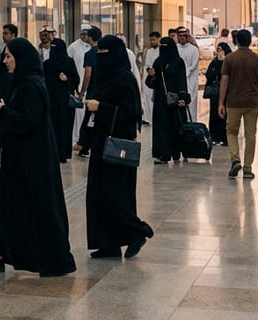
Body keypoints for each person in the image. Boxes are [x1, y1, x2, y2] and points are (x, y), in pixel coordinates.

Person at [0, 38, 76, 277]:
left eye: (9, 57)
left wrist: (3, 111)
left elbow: (30, 120)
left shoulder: (31, 85)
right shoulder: (25, 83)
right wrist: (4, 110)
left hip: (32, 161)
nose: (6, 62)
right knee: (9, 204)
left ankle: (55, 260)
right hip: (22, 158)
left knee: (36, 207)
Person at [83, 35, 154, 259]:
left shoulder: (124, 79)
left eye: (104, 53)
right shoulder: (103, 78)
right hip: (99, 144)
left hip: (117, 148)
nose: (100, 57)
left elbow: (130, 115)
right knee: (98, 194)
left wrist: (101, 107)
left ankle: (137, 232)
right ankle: (108, 243)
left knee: (115, 195)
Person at [219, 29, 258, 179]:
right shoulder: (257, 59)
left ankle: (235, 160)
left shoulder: (229, 59)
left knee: (231, 132)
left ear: (236, 41)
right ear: (250, 41)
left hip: (233, 102)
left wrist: (220, 103)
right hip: (252, 102)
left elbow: (224, 81)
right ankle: (248, 169)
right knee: (250, 135)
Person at [145, 36, 187, 164]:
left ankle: (176, 152)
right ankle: (163, 154)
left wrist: (182, 98)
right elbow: (150, 83)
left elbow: (182, 81)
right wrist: (152, 75)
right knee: (161, 127)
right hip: (160, 101)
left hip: (174, 101)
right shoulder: (158, 62)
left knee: (175, 127)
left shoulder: (178, 62)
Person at [43, 38, 80, 162]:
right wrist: (68, 80)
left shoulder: (46, 64)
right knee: (65, 127)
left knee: (53, 126)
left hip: (51, 100)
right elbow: (76, 80)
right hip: (64, 101)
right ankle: (63, 153)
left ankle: (53, 153)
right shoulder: (68, 62)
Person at [0, 24, 18, 157]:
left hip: (10, 89)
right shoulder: (3, 50)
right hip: (3, 88)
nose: (4, 35)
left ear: (13, 35)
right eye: (3, 33)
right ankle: (1, 146)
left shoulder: (15, 51)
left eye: (6, 33)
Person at [76, 26, 101, 158]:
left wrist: (81, 93)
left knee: (88, 119)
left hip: (93, 91)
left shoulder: (90, 54)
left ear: (90, 38)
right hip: (104, 90)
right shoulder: (104, 52)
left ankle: (84, 146)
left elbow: (87, 76)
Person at [67, 25, 91, 150]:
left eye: (86, 34)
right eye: (82, 33)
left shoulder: (93, 47)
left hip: (89, 86)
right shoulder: (73, 47)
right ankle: (76, 140)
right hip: (78, 85)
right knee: (77, 115)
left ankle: (84, 141)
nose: (84, 36)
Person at [206, 42, 231, 146]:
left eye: (221, 49)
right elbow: (209, 74)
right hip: (215, 93)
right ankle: (214, 136)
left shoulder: (229, 61)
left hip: (227, 92)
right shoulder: (214, 62)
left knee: (225, 115)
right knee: (214, 114)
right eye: (218, 49)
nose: (219, 52)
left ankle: (225, 137)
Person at [176, 28, 200, 118]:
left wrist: (185, 73)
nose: (182, 38)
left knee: (191, 104)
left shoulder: (194, 49)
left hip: (190, 81)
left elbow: (193, 65)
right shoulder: (176, 48)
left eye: (184, 36)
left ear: (187, 37)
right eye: (180, 36)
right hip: (179, 82)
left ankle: (192, 123)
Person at [140, 31, 161, 124]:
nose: (152, 42)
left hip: (157, 76)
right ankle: (147, 118)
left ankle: (155, 118)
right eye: (151, 40)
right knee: (147, 97)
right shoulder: (149, 51)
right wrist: (149, 70)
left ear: (158, 39)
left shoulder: (162, 50)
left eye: (154, 40)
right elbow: (147, 64)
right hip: (149, 76)